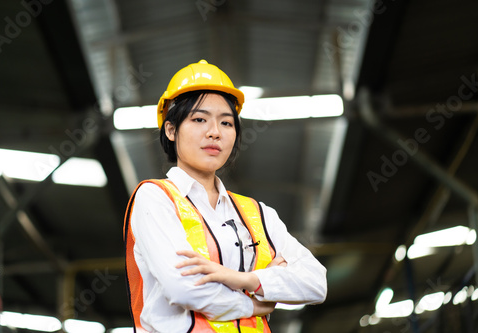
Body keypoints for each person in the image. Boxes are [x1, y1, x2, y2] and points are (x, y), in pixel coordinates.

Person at [124, 60, 327, 333]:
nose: (214, 132)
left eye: (226, 122)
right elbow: (183, 288)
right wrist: (254, 305)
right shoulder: (155, 198)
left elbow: (316, 283)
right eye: (199, 119)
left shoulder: (258, 213)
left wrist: (241, 278)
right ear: (171, 130)